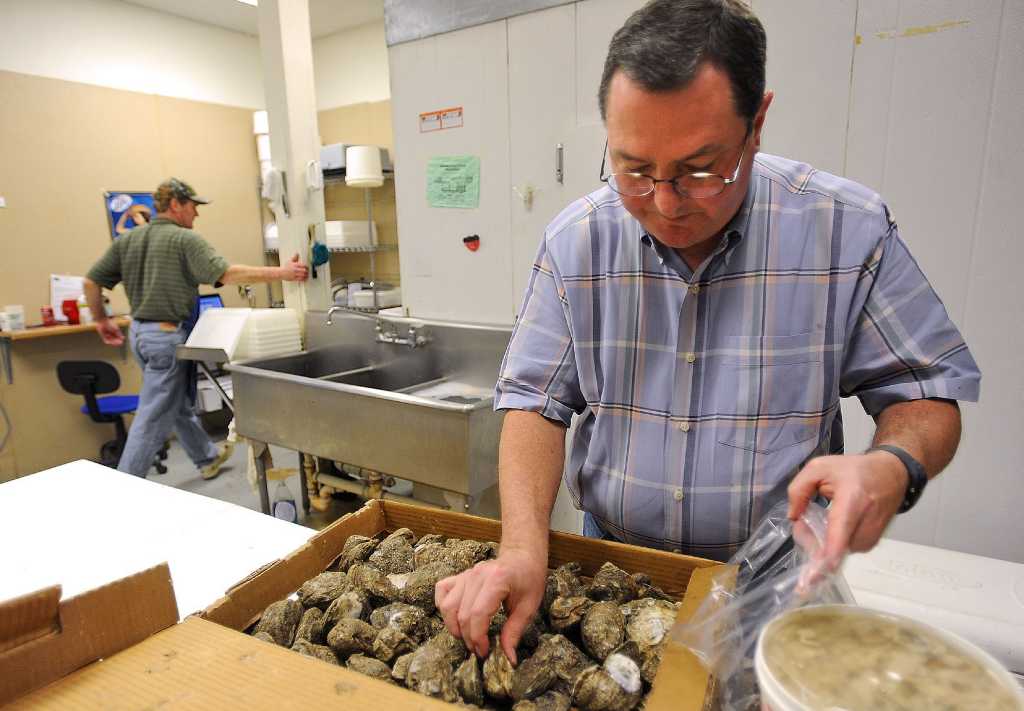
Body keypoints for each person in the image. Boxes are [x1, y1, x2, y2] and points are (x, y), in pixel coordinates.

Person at [435, 0, 981, 664]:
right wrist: (523, 547)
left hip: (775, 588)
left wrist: (892, 466)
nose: (665, 203)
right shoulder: (577, 240)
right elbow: (534, 403)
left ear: (757, 124)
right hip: (612, 573)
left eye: (700, 169)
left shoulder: (844, 229)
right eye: (634, 169)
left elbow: (926, 390)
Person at [84, 178, 309, 480]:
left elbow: (91, 282)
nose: (197, 214)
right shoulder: (184, 240)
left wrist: (102, 320)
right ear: (175, 204)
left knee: (173, 404)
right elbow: (227, 274)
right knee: (152, 418)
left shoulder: (129, 240)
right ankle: (126, 485)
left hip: (139, 334)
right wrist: (284, 273)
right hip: (165, 337)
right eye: (193, 206)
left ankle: (205, 458)